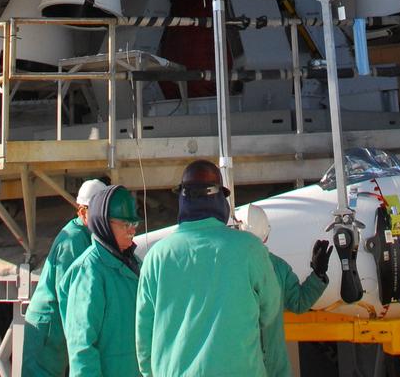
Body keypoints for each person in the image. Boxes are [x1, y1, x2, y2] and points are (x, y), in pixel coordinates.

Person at [136, 160, 281, 377]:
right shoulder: (250, 248)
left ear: (182, 199)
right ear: (221, 200)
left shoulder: (157, 256)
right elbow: (270, 314)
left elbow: (144, 334)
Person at [23, 178, 108, 377]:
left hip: (53, 327)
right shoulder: (73, 240)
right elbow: (69, 299)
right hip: (49, 327)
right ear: (83, 211)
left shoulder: (83, 235)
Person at [61, 184, 142, 377]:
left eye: (134, 224)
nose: (132, 230)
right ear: (103, 223)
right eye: (125, 224)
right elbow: (82, 347)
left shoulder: (135, 263)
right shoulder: (88, 271)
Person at [244, 204, 331, 377]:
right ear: (266, 236)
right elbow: (299, 303)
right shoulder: (279, 268)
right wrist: (318, 274)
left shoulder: (227, 267)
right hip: (274, 367)